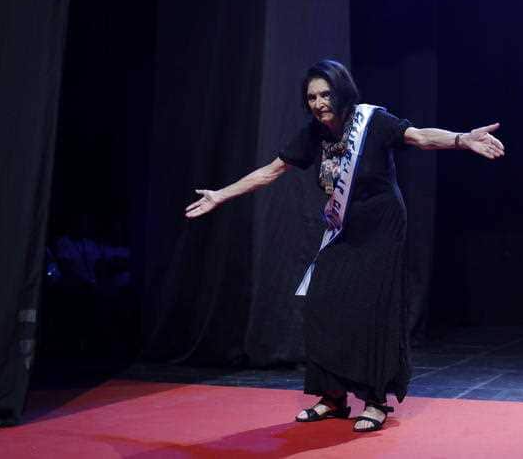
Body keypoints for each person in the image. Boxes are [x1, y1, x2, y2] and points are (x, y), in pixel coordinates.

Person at [185, 59, 504, 432]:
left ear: (341, 93)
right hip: (344, 228)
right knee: (321, 303)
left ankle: (375, 400)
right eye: (312, 97)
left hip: (382, 226)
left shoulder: (372, 121)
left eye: (325, 94)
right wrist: (221, 194)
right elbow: (271, 171)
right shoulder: (314, 133)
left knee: (371, 310)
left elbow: (419, 137)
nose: (319, 103)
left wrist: (462, 139)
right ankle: (333, 397)